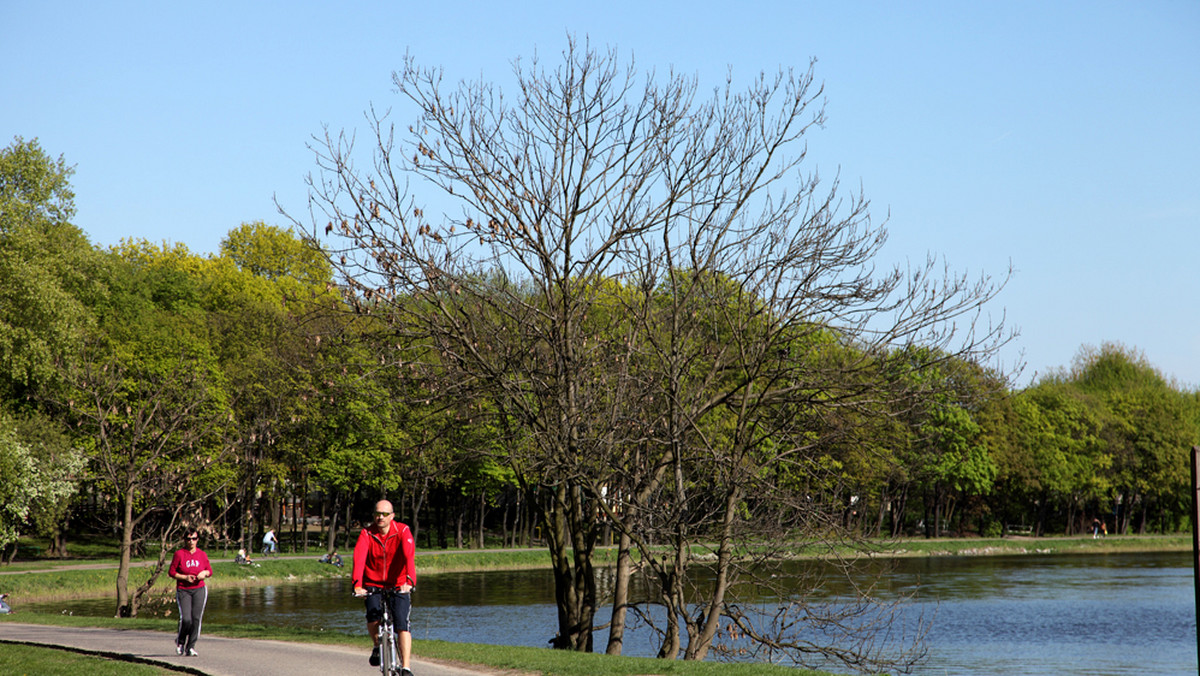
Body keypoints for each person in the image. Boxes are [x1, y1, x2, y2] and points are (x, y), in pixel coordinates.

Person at [352, 500, 416, 674]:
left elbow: (409, 556)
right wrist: (357, 584)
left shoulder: (402, 531)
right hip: (373, 583)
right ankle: (376, 646)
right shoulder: (367, 533)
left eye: (385, 514)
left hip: (399, 583)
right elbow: (359, 558)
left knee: (402, 624)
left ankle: (406, 666)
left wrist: (409, 582)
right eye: (377, 513)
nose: (380, 517)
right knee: (372, 617)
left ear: (392, 516)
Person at [169, 529, 213, 657]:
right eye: (188, 539)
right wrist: (185, 577)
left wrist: (204, 573)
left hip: (199, 589)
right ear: (184, 540)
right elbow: (172, 572)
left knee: (196, 618)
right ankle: (180, 642)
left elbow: (209, 570)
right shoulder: (179, 554)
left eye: (194, 539)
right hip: (184, 590)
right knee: (186, 619)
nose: (191, 541)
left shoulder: (202, 554)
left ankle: (191, 646)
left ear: (197, 539)